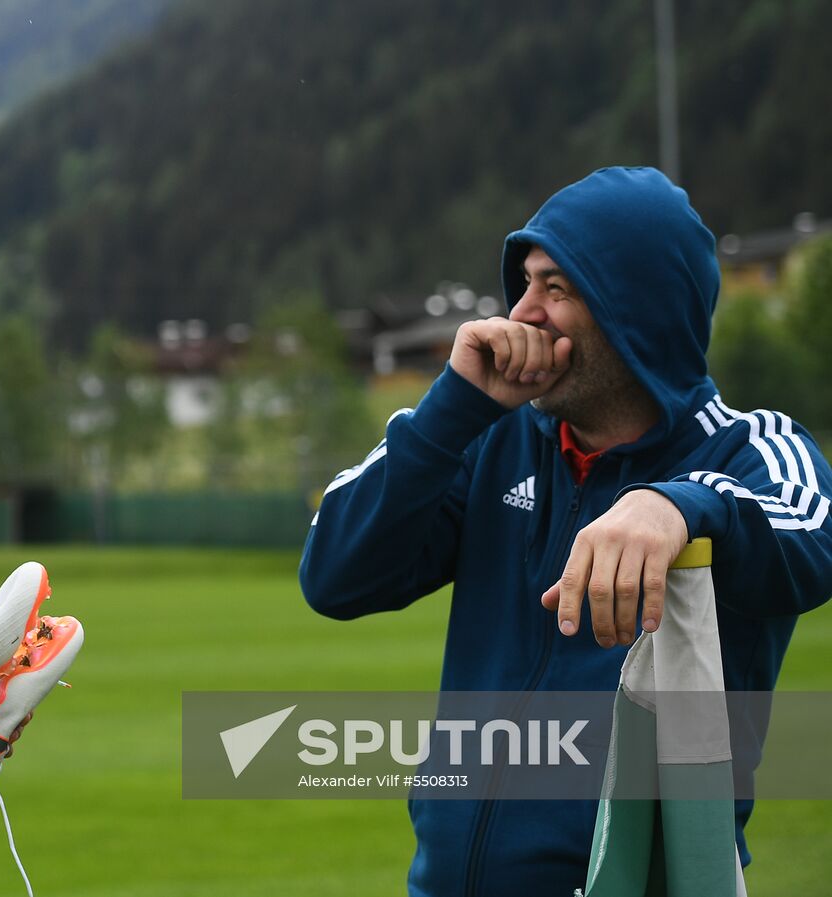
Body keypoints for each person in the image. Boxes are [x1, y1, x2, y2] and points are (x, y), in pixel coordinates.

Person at [299, 166, 832, 896]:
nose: (524, 312)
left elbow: (811, 530)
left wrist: (674, 506)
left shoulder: (747, 451)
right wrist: (453, 407)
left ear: (635, 308)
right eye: (524, 284)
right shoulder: (489, 437)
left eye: (558, 288)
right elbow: (332, 574)